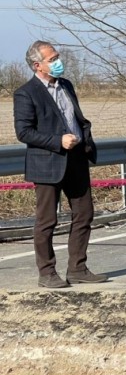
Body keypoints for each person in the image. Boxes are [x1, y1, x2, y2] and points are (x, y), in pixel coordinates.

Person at [13, 40, 108, 288]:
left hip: (76, 159)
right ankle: (47, 273)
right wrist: (57, 141)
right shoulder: (26, 93)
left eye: (57, 57)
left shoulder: (66, 85)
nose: (58, 62)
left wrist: (84, 139)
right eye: (52, 59)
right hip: (47, 163)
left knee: (84, 214)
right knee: (47, 221)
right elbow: (24, 132)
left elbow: (75, 117)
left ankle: (78, 268)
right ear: (37, 65)